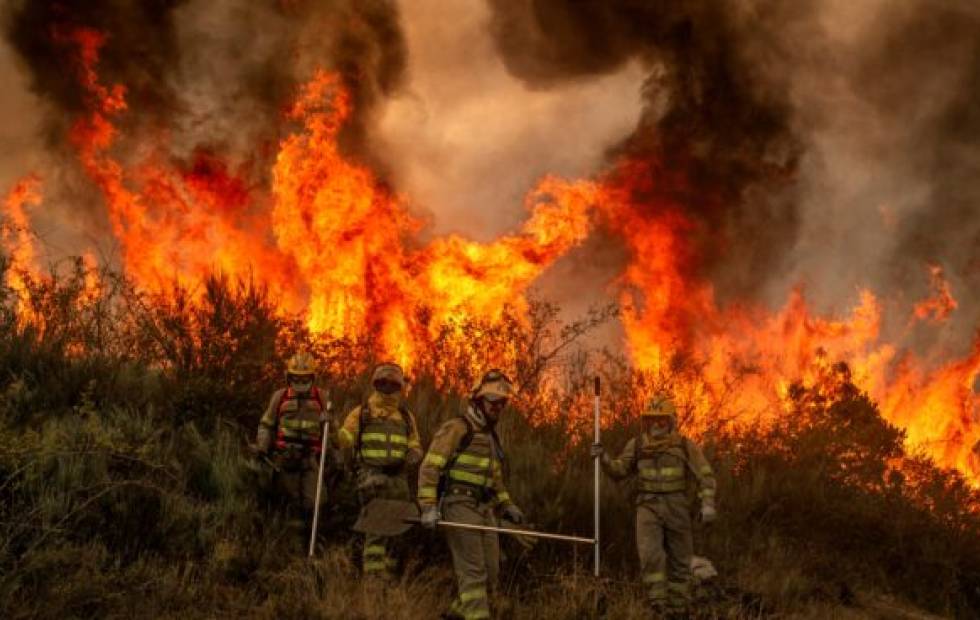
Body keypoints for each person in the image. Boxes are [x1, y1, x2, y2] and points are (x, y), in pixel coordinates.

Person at [592, 394, 716, 619]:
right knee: (650, 557)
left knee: (681, 560)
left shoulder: (685, 446)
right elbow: (620, 470)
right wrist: (604, 459)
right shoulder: (637, 445)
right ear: (645, 422)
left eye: (662, 420)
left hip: (677, 508)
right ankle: (658, 607)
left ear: (671, 422)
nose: (656, 425)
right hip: (647, 508)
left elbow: (705, 475)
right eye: (651, 420)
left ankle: (678, 610)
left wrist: (707, 504)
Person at [417, 370, 526, 620]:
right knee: (474, 574)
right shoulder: (457, 428)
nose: (498, 407)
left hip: (484, 510)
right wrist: (428, 507)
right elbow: (430, 467)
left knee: (491, 575)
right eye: (493, 402)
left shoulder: (489, 437)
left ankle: (453, 616)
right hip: (459, 506)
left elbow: (494, 478)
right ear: (478, 401)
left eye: (502, 403)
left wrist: (507, 505)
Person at [337, 362, 422, 575]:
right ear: (376, 384)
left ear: (399, 388)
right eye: (383, 384)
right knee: (376, 531)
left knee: (396, 531)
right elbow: (346, 437)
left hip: (398, 481)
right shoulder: (362, 412)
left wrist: (414, 454)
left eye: (393, 385)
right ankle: (374, 582)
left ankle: (389, 580)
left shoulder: (405, 416)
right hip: (372, 478)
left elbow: (415, 444)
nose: (388, 389)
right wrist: (334, 434)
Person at [255, 350, 331, 540]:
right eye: (296, 379)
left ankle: (310, 541)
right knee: (289, 502)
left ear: (313, 378)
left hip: (310, 460)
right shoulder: (279, 397)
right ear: (289, 378)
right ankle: (289, 544)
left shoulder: (322, 398)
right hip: (285, 459)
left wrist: (331, 430)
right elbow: (266, 424)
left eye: (305, 379)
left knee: (315, 502)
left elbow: (332, 432)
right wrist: (262, 446)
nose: (300, 383)